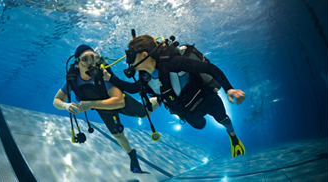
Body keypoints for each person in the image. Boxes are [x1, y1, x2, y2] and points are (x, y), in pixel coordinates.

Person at [103, 35, 247, 158]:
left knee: (222, 118)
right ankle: (210, 125)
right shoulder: (144, 77)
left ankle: (233, 137)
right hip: (186, 111)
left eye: (130, 55)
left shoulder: (173, 63)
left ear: (144, 55)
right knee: (200, 125)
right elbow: (133, 89)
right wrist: (110, 79)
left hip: (206, 100)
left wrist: (229, 89)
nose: (128, 61)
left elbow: (209, 68)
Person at [53, 45, 158, 173]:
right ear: (77, 63)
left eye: (94, 58)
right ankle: (132, 155)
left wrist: (90, 104)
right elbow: (56, 101)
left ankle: (159, 98)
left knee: (144, 113)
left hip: (115, 102)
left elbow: (119, 101)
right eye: (85, 59)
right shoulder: (72, 80)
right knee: (117, 135)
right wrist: (66, 105)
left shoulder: (102, 75)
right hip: (102, 107)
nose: (91, 63)